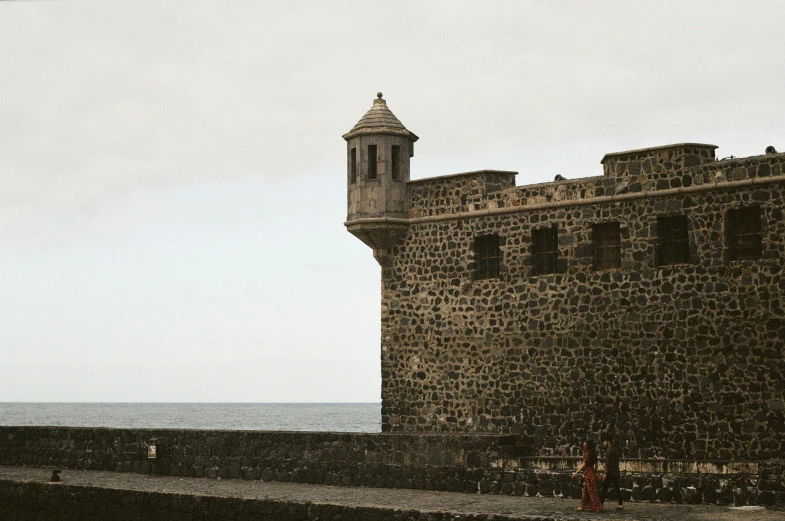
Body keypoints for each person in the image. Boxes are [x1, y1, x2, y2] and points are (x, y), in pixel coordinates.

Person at [572, 440, 603, 512]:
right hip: (591, 472)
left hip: (587, 472)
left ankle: (596, 507)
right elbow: (596, 465)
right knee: (588, 490)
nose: (584, 446)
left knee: (590, 490)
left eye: (585, 445)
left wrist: (576, 472)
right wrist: (594, 472)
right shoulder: (593, 454)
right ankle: (583, 506)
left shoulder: (587, 454)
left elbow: (584, 464)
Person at [600, 433, 623, 510]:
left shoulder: (608, 450)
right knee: (617, 488)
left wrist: (605, 473)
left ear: (607, 441)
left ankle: (600, 504)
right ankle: (620, 503)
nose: (604, 443)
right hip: (616, 471)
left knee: (604, 488)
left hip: (609, 472)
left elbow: (607, 463)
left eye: (604, 441)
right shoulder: (616, 449)